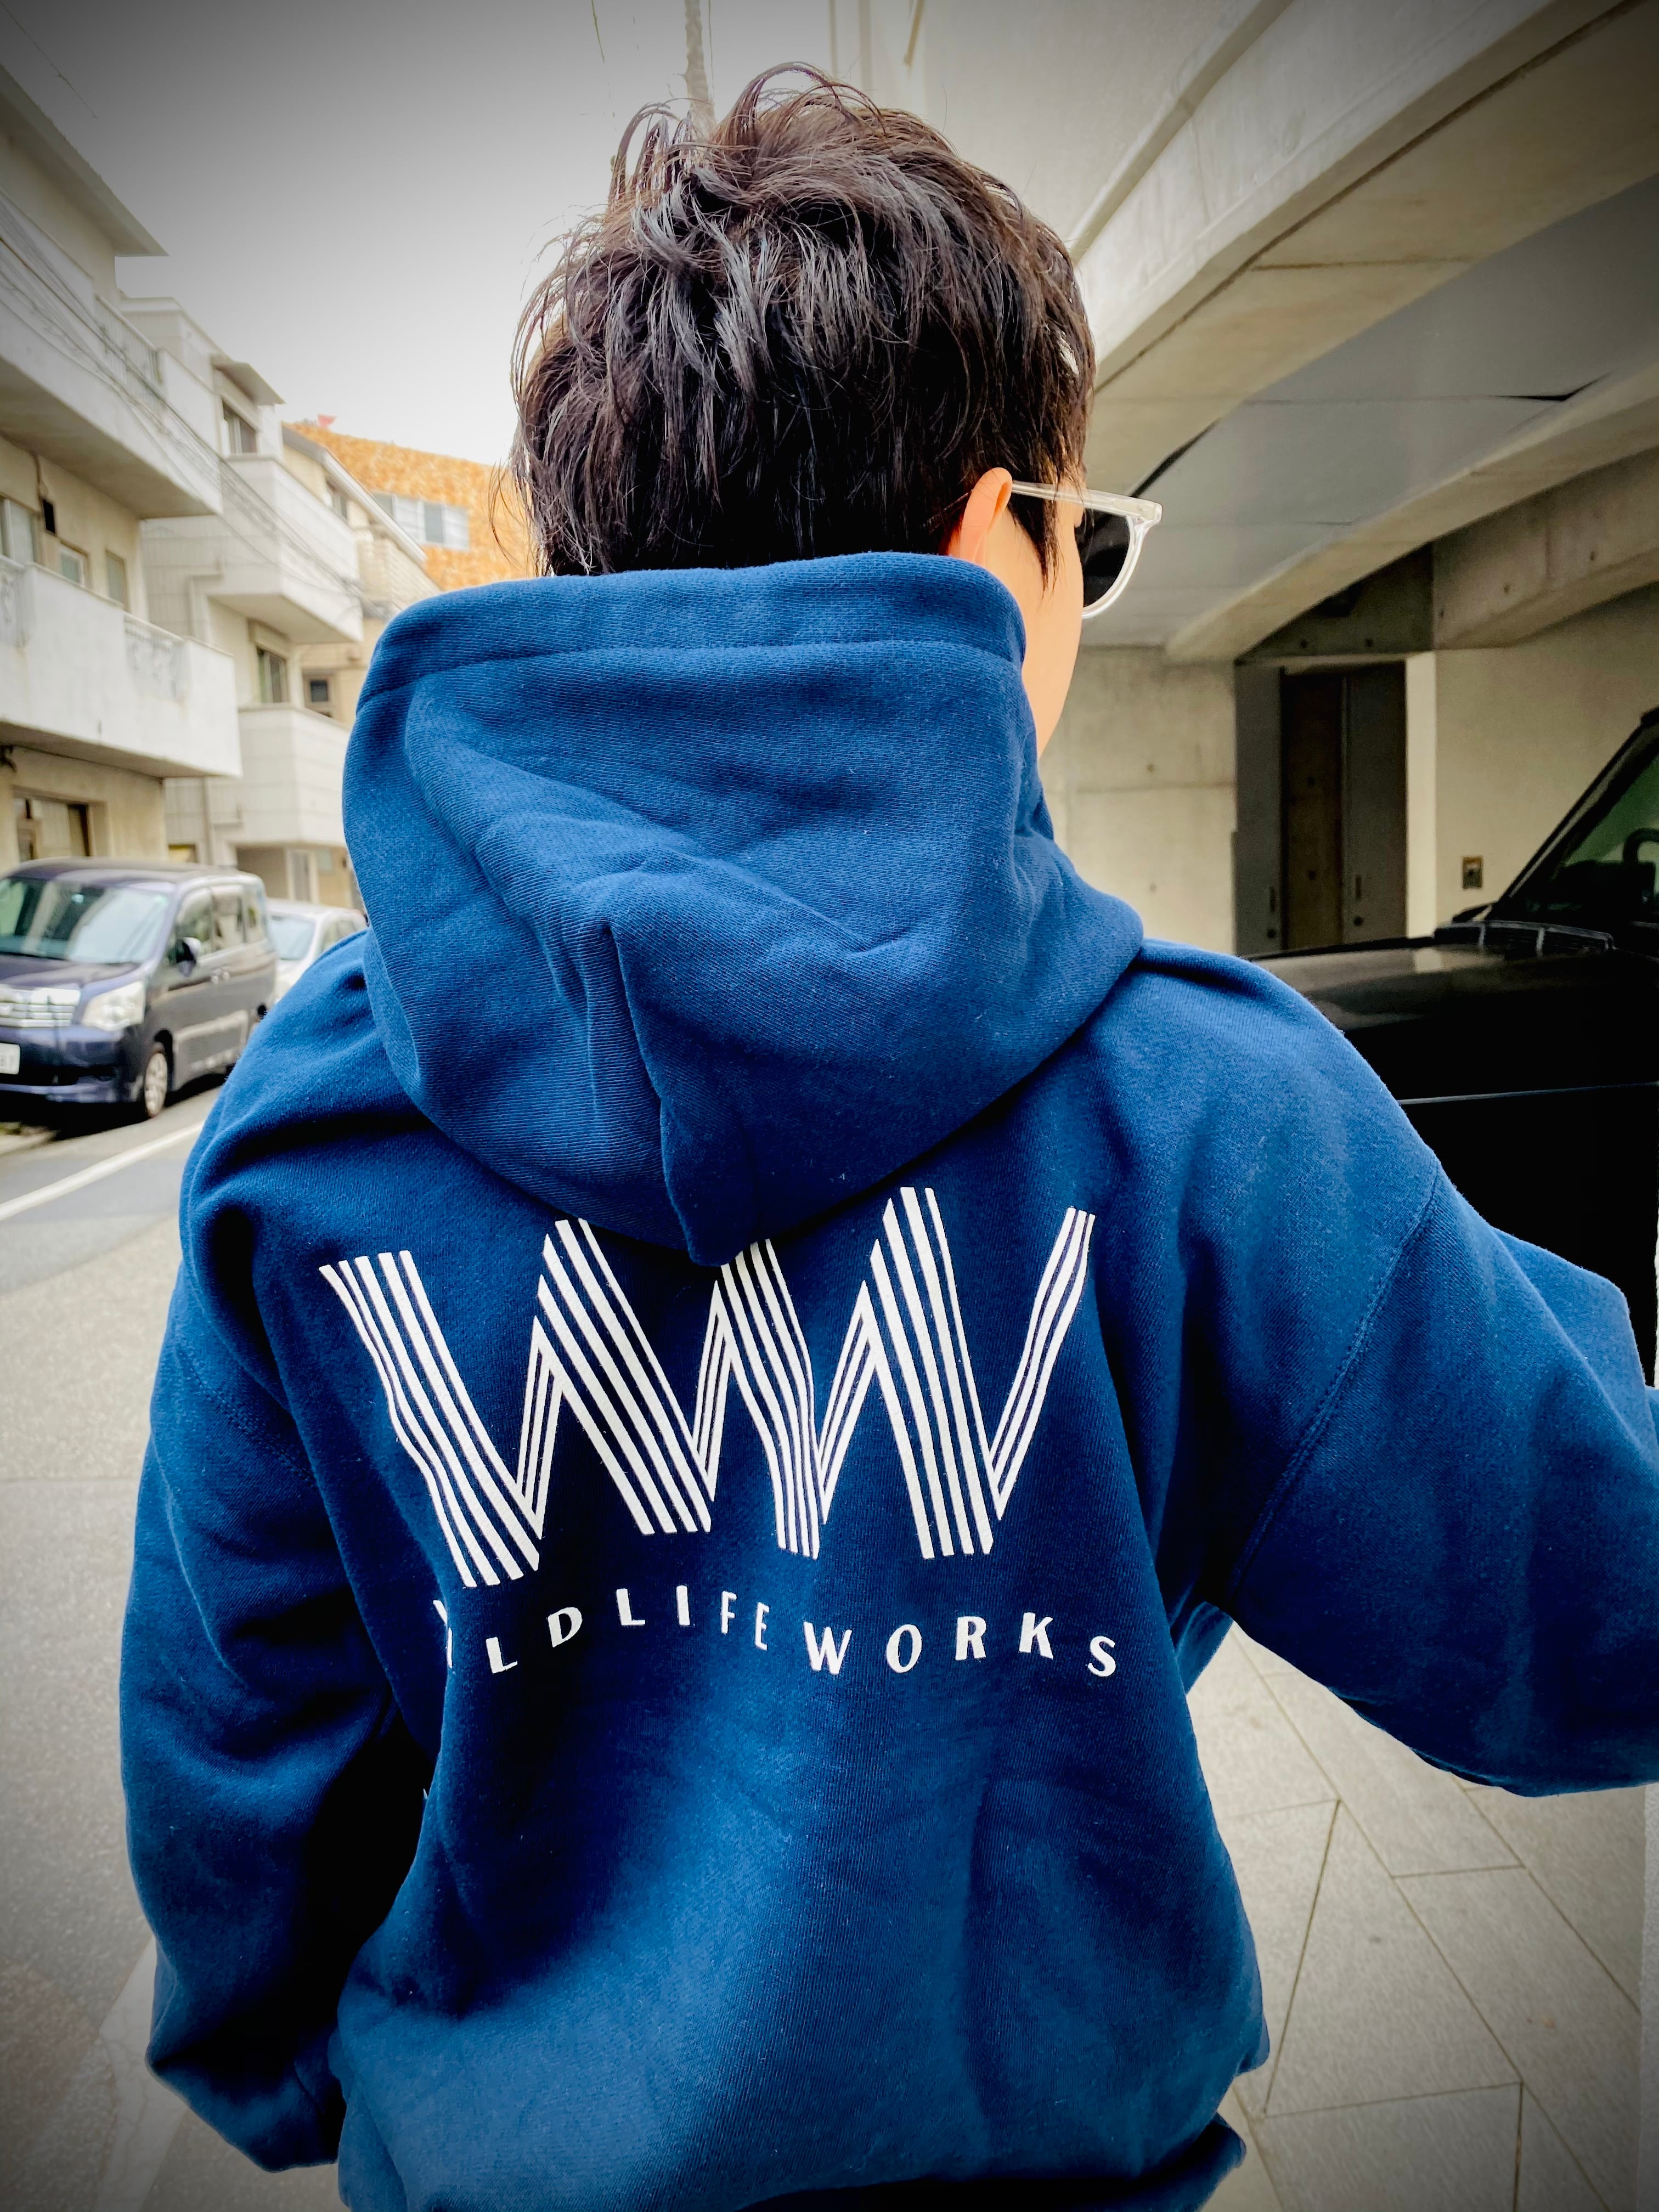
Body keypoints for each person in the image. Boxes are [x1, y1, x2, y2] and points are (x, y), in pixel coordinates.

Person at [121, 70, 1659, 2212]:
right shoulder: (1204, 1102)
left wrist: (330, 2081)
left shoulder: (317, 1123)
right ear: (987, 534)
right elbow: (1592, 1620)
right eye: (1087, 540)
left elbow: (240, 1767)